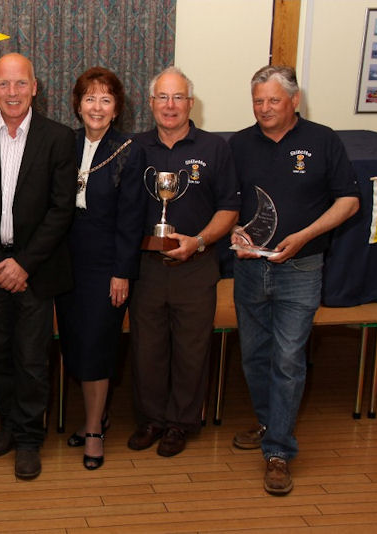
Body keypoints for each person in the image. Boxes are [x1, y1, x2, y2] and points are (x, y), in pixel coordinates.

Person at [230, 65, 359, 495]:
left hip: (302, 269)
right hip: (249, 268)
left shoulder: (323, 140)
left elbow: (350, 200)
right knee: (254, 355)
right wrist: (233, 231)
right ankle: (269, 424)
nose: (264, 109)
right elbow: (228, 202)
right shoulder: (239, 144)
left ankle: (279, 451)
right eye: (258, 100)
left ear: (294, 100)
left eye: (274, 100)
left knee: (287, 360)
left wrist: (304, 236)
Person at [0, 52, 77, 480]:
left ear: (35, 87)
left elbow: (62, 211)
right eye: (4, 84)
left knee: (31, 359)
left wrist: (22, 264)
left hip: (37, 271)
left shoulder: (59, 139)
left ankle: (29, 438)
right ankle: (8, 425)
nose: (12, 92)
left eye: (20, 84)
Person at [129, 66, 240, 457]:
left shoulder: (214, 149)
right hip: (145, 267)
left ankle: (180, 423)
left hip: (197, 265)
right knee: (147, 348)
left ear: (191, 103)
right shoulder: (134, 147)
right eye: (163, 97)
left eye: (178, 98)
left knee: (192, 350)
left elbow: (230, 208)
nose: (170, 105)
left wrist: (197, 241)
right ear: (151, 103)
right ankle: (151, 419)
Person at [55, 67, 145, 470]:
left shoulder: (129, 149)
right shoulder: (64, 143)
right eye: (89, 98)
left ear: (116, 109)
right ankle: (98, 415)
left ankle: (93, 430)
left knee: (96, 346)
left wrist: (121, 271)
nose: (96, 106)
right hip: (65, 261)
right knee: (74, 344)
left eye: (105, 100)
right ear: (77, 104)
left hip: (106, 265)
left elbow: (132, 220)